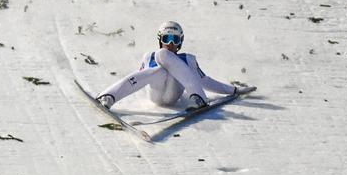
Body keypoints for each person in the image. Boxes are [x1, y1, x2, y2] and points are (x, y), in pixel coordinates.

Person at [96, 21, 255, 110]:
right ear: (160, 40)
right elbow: (137, 79)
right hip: (156, 94)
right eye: (167, 39)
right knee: (160, 63)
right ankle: (109, 97)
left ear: (180, 42)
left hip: (173, 94)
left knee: (164, 57)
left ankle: (198, 98)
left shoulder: (188, 60)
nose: (171, 44)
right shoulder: (149, 57)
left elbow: (205, 81)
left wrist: (233, 90)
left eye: (175, 39)